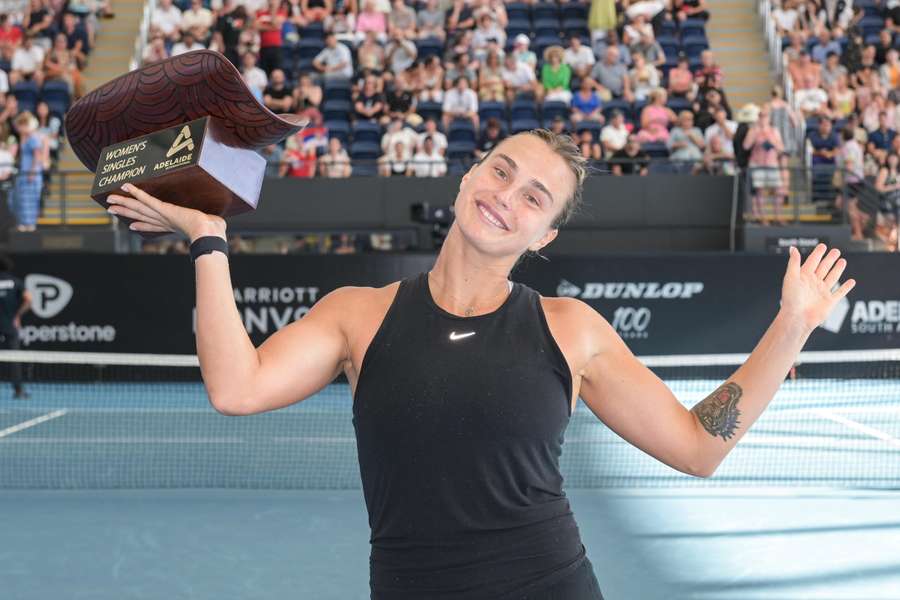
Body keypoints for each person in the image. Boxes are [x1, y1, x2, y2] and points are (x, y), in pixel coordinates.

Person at [104, 129, 856, 599]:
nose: (506, 197)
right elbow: (235, 389)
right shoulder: (355, 314)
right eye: (500, 172)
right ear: (466, 179)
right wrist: (208, 239)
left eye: (534, 198)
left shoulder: (572, 331)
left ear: (544, 236)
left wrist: (791, 325)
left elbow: (698, 445)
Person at [0, 254, 31, 400]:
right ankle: (18, 391)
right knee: (14, 358)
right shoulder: (16, 282)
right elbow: (29, 299)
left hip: (7, 325)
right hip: (9, 326)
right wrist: (17, 315)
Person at [11, 112, 48, 232]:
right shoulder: (26, 137)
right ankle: (24, 223)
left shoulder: (33, 137)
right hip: (24, 172)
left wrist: (32, 172)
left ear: (26, 124)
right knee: (23, 198)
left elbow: (37, 156)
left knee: (31, 199)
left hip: (32, 173)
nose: (18, 129)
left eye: (20, 125)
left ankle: (30, 224)